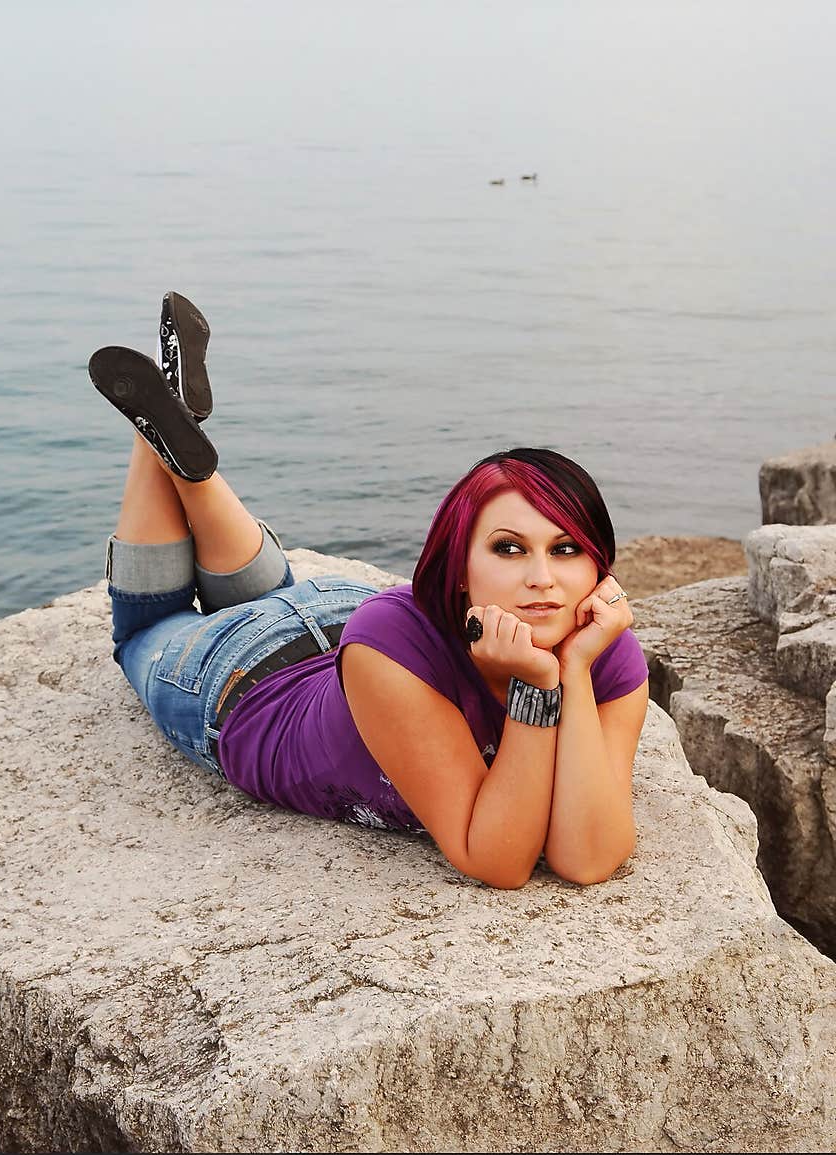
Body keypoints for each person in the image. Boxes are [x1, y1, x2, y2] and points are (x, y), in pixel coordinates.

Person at [89, 292, 649, 892]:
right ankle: (154, 439)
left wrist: (575, 669)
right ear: (459, 566)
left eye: (566, 550)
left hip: (338, 613)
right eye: (509, 548)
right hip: (245, 676)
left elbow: (586, 858)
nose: (542, 576)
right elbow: (497, 860)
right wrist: (539, 688)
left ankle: (170, 426)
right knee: (146, 628)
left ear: (599, 568)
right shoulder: (393, 643)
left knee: (270, 591)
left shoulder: (603, 651)